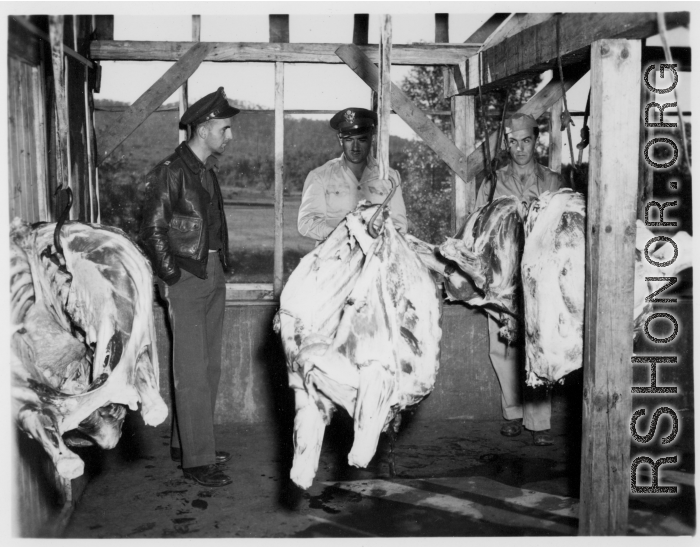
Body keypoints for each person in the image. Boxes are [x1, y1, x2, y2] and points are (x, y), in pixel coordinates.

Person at [139, 87, 239, 487]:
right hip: (187, 277)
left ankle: (189, 443)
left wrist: (215, 268)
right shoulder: (171, 170)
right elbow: (152, 229)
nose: (229, 137)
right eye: (225, 129)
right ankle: (198, 462)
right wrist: (173, 276)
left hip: (212, 271)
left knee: (208, 367)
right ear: (202, 129)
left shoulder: (205, 171)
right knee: (192, 371)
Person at [476, 112, 563, 446]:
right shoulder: (492, 181)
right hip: (502, 275)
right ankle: (512, 412)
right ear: (507, 143)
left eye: (526, 140)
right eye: (514, 141)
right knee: (503, 345)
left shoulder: (552, 180)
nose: (521, 148)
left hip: (540, 275)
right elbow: (478, 225)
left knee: (540, 345)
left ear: (536, 140)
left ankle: (539, 422)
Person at [298, 107, 408, 241]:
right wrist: (342, 235)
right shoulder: (320, 176)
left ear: (371, 139)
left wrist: (379, 239)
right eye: (349, 139)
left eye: (362, 140)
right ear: (340, 140)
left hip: (377, 253)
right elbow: (306, 222)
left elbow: (399, 223)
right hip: (334, 254)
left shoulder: (390, 177)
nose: (355, 147)